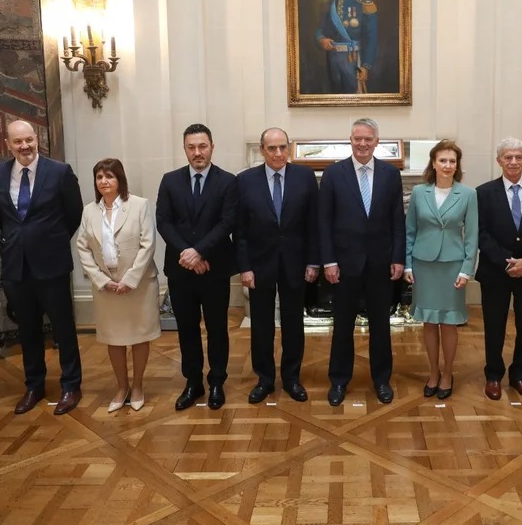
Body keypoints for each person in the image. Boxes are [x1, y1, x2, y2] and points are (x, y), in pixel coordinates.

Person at [0, 119, 84, 415]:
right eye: (18, 142)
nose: (25, 146)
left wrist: (50, 242)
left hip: (52, 265)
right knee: (27, 330)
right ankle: (34, 386)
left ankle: (71, 385)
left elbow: (74, 213)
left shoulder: (60, 172)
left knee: (63, 327)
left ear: (37, 139)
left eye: (29, 140)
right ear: (8, 144)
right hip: (16, 267)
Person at [319, 117, 404, 406]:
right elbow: (324, 222)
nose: (363, 144)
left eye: (368, 139)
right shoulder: (333, 174)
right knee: (342, 325)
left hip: (380, 264)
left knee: (381, 325)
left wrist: (398, 258)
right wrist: (328, 261)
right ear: (350, 140)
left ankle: (381, 380)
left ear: (377, 141)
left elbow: (397, 222)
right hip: (344, 265)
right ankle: (339, 381)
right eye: (358, 139)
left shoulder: (391, 175)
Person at [156, 123, 238, 411]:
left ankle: (216, 381)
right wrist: (188, 254)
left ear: (212, 147)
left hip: (215, 269)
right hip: (180, 269)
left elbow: (227, 222)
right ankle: (193, 382)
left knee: (217, 329)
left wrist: (200, 252)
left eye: (202, 146)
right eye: (191, 147)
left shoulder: (228, 182)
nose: (197, 152)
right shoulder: (169, 180)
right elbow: (163, 221)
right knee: (187, 329)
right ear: (185, 149)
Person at [236, 127, 320, 404]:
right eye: (272, 148)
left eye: (283, 147)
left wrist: (313, 262)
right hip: (259, 266)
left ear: (289, 148)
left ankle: (292, 378)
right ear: (262, 150)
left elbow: (313, 225)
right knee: (261, 325)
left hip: (296, 263)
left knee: (293, 322)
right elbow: (241, 230)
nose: (278, 153)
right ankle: (265, 379)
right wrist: (245, 267)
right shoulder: (245, 181)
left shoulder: (305, 177)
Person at [76, 158, 161, 413]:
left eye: (109, 176)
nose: (104, 181)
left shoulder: (138, 205)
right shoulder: (89, 211)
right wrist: (102, 281)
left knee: (138, 336)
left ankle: (137, 386)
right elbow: (82, 247)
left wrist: (130, 280)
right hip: (107, 288)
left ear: (120, 179)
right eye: (99, 177)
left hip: (138, 286)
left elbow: (148, 244)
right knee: (113, 338)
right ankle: (121, 387)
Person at [475, 138, 522, 401]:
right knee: (494, 326)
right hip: (496, 272)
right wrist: (506, 261)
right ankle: (494, 375)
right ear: (499, 161)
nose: (513, 162)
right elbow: (480, 233)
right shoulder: (483, 192)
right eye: (507, 157)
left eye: (518, 157)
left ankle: (519, 374)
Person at [404, 140, 478, 400]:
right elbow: (410, 230)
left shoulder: (468, 195)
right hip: (423, 264)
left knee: (448, 323)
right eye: (443, 160)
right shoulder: (419, 193)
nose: (447, 165)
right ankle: (433, 372)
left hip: (452, 267)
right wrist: (408, 264)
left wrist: (466, 270)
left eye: (452, 161)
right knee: (429, 322)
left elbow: (472, 236)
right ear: (433, 163)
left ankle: (448, 374)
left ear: (457, 166)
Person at [315, 0, 379, 94]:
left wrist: (366, 66)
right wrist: (321, 39)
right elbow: (320, 29)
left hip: (353, 60)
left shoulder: (363, 6)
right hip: (332, 59)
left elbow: (371, 38)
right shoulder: (328, 5)